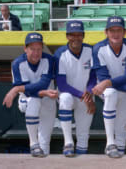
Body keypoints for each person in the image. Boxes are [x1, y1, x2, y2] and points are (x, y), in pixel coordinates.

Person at [91, 16, 126, 158]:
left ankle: (120, 150)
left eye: (119, 30)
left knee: (123, 121)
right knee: (110, 93)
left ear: (124, 32)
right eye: (112, 30)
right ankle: (110, 143)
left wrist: (124, 87)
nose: (115, 34)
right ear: (106, 32)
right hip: (107, 89)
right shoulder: (99, 48)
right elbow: (103, 79)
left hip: (124, 85)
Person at [3, 32, 57, 157]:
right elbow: (28, 91)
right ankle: (33, 143)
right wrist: (20, 90)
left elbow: (43, 84)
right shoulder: (17, 63)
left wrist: (15, 90)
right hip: (27, 100)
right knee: (34, 100)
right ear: (25, 48)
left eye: (39, 49)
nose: (36, 52)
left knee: (44, 141)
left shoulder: (48, 59)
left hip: (48, 100)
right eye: (32, 49)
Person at [54, 21, 96, 157]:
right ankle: (68, 142)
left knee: (83, 135)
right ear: (67, 36)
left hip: (85, 96)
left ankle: (82, 158)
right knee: (65, 98)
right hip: (70, 95)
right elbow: (61, 85)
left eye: (79, 34)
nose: (76, 38)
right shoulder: (60, 53)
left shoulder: (90, 50)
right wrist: (83, 95)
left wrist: (89, 92)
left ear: (83, 36)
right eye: (72, 35)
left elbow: (93, 76)